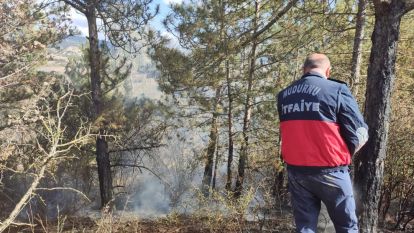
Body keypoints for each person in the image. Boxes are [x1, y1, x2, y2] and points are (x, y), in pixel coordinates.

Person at [277, 53, 368, 233]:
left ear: (304, 70)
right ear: (328, 71)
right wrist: (344, 153)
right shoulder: (337, 90)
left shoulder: (284, 95)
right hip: (331, 171)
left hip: (297, 172)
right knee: (346, 227)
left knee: (305, 227)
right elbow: (360, 133)